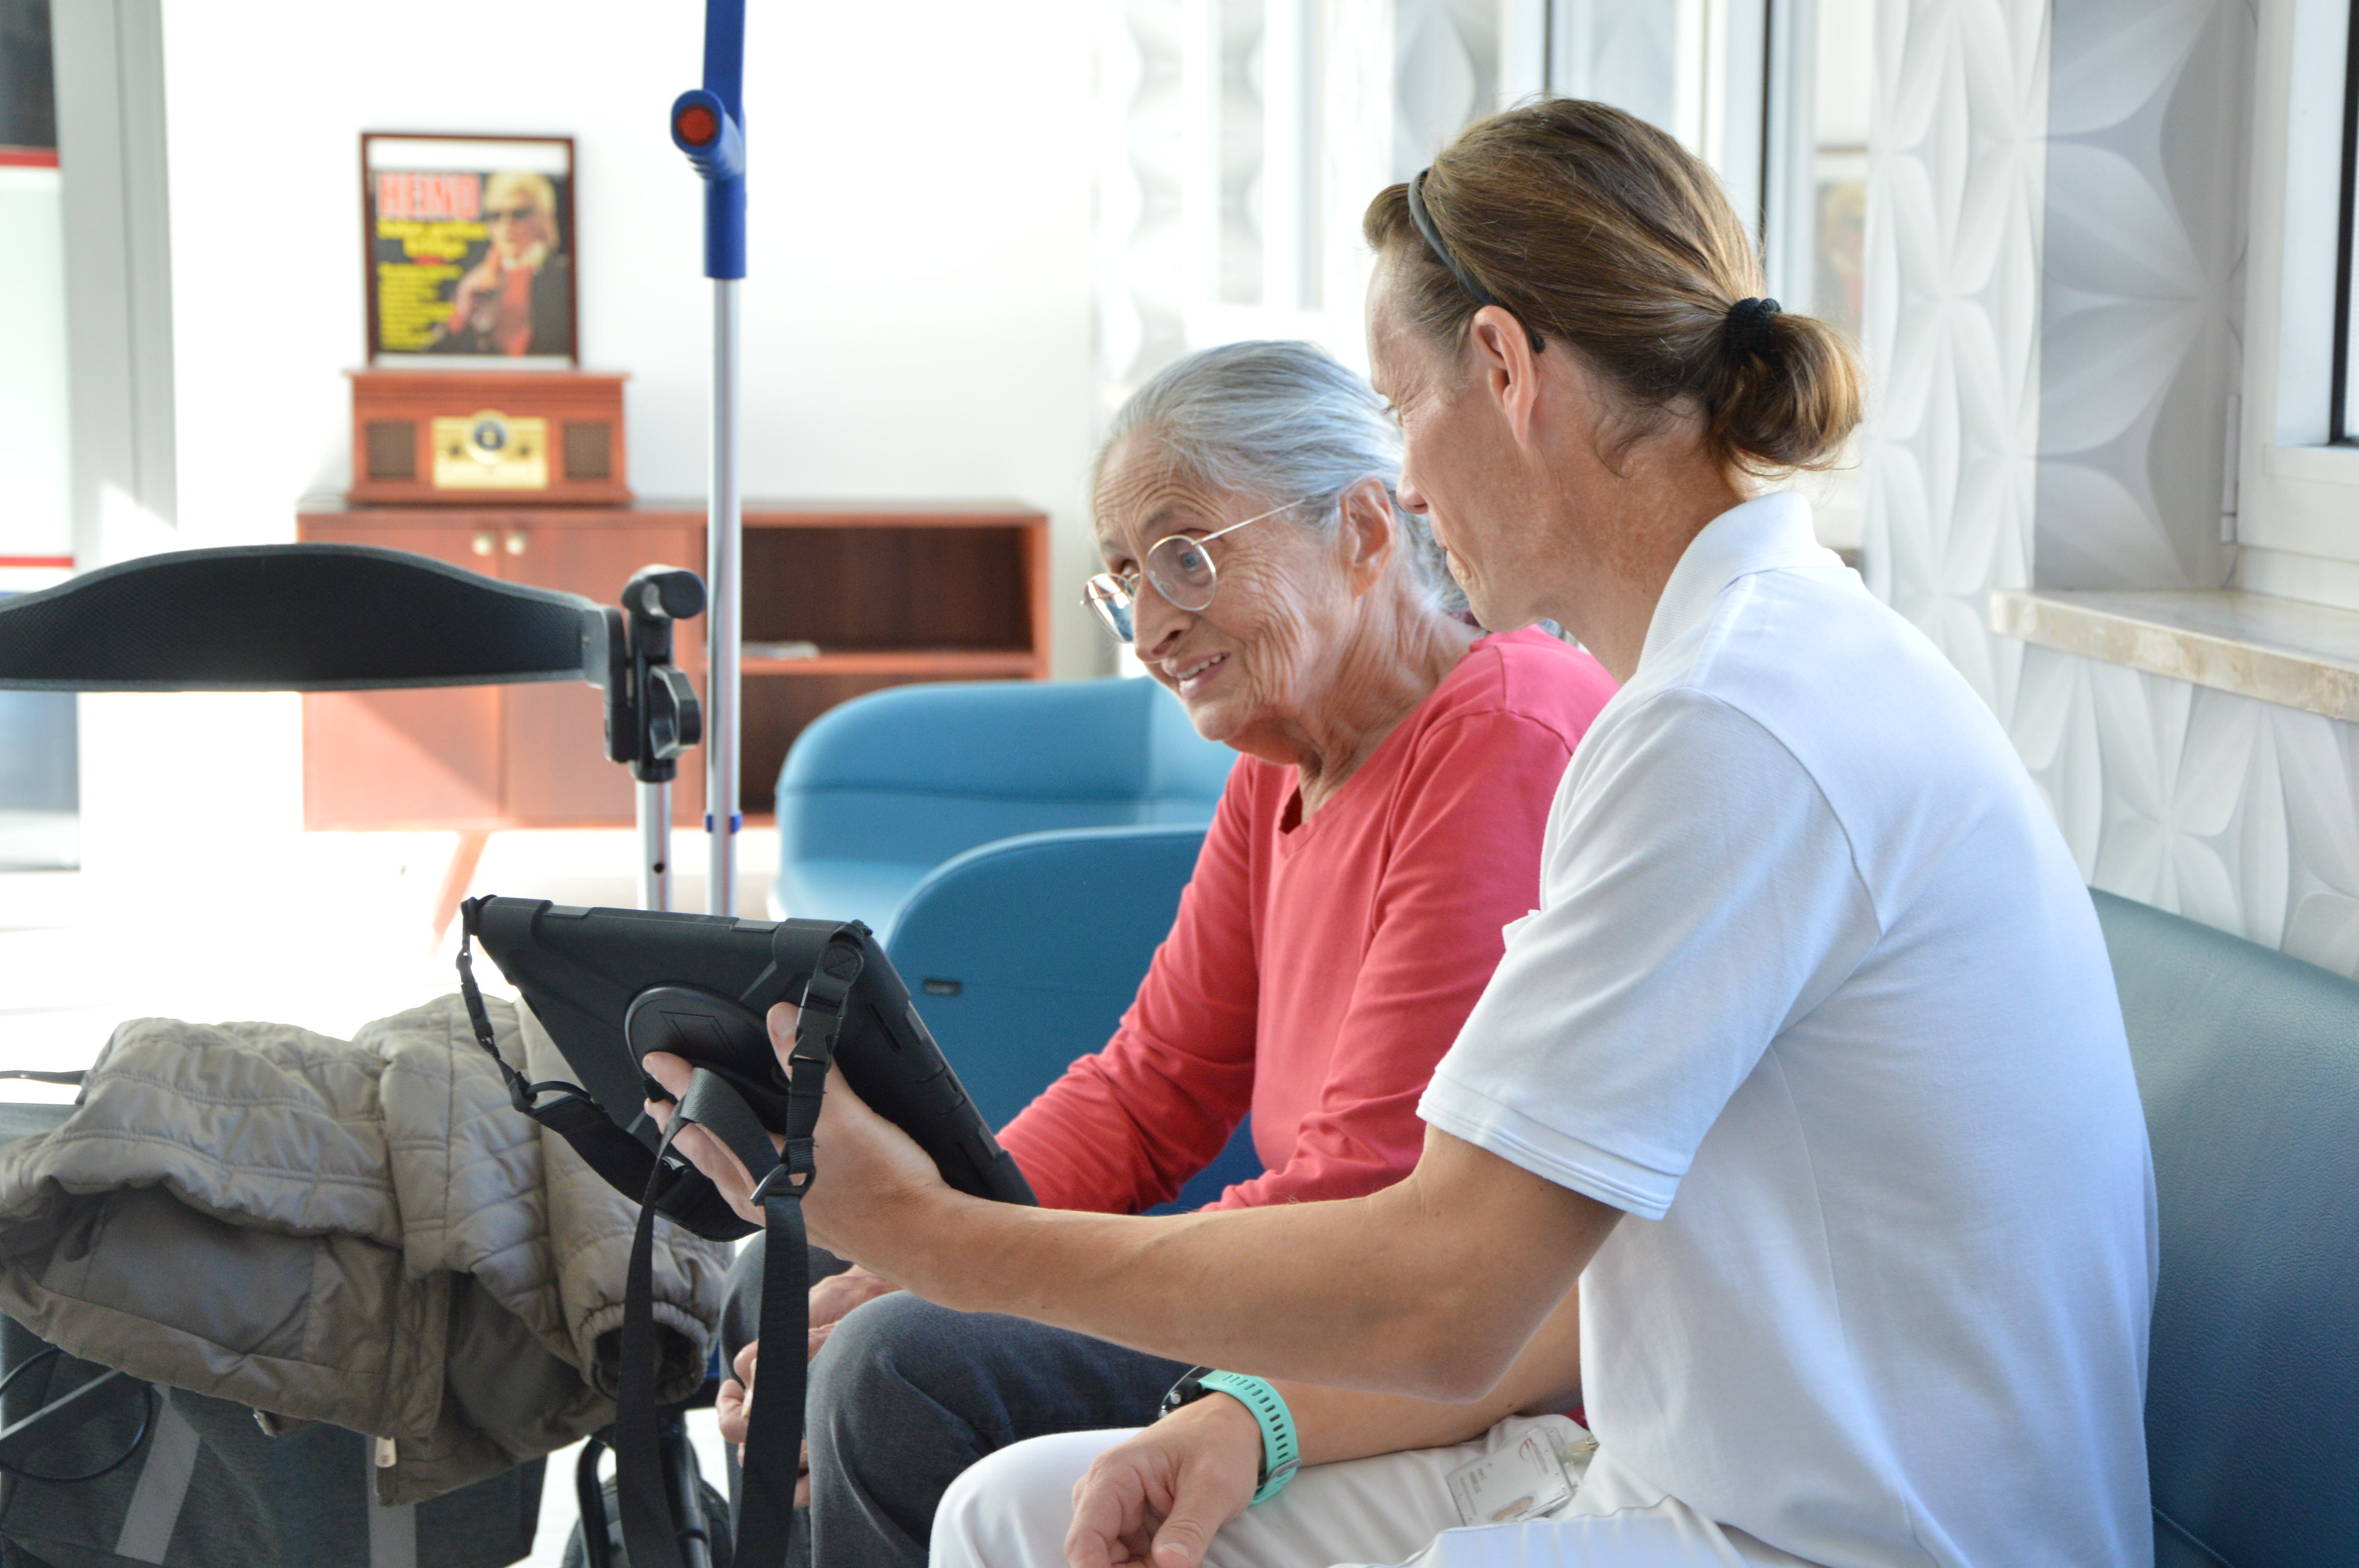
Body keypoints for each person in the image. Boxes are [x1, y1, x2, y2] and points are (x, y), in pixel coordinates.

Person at [657, 97, 2158, 1568]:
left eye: (1398, 409)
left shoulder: (1723, 724)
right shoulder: (1734, 676)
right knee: (1015, 1518)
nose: (1413, 478)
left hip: (1843, 1534)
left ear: (1502, 369)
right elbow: (1546, 1248)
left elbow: (1444, 1284)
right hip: (1679, 1456)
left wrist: (939, 1242)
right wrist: (1256, 1415)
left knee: (953, 1410)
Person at [707, 337, 1618, 1568]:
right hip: (1311, 1277)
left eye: (1185, 558)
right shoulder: (1280, 761)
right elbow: (1148, 1092)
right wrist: (902, 1247)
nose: (1146, 627)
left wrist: (959, 1265)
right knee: (783, 1273)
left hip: (1440, 1352)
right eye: (1125, 577)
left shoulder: (1505, 731)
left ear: (1360, 531)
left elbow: (1373, 1197)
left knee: (895, 1369)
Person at [432, 169, 572, 357]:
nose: (507, 225)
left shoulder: (563, 275)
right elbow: (432, 359)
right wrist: (462, 313)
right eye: (496, 216)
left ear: (542, 218)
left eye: (519, 214)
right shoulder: (473, 281)